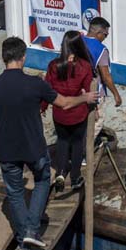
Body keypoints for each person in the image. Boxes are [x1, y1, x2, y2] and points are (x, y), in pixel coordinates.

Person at [0, 37, 97, 250]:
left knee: (15, 193)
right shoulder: (36, 84)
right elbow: (65, 103)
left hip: (7, 151)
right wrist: (86, 98)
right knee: (42, 180)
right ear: (23, 58)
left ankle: (24, 237)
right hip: (34, 148)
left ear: (3, 57)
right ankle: (32, 231)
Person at [42, 30, 95, 192]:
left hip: (59, 113)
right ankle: (75, 177)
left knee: (62, 141)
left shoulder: (53, 65)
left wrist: (43, 107)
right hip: (78, 113)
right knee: (77, 144)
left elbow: (47, 89)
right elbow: (87, 91)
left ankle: (60, 172)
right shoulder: (84, 66)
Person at [83, 17, 123, 138]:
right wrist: (116, 94)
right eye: (105, 35)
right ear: (98, 33)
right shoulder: (101, 50)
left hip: (77, 90)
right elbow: (105, 76)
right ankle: (85, 152)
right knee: (96, 123)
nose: (105, 38)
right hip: (94, 93)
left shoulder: (76, 41)